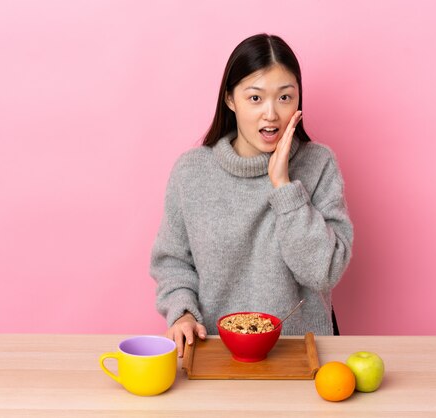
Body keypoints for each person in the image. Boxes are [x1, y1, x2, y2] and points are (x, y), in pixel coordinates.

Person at [150, 33, 353, 357]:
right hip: (215, 352)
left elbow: (323, 272)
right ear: (230, 99)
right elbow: (172, 261)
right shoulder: (191, 172)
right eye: (255, 98)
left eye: (285, 97)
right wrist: (182, 311)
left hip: (300, 354)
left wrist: (284, 186)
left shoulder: (319, 164)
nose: (271, 114)